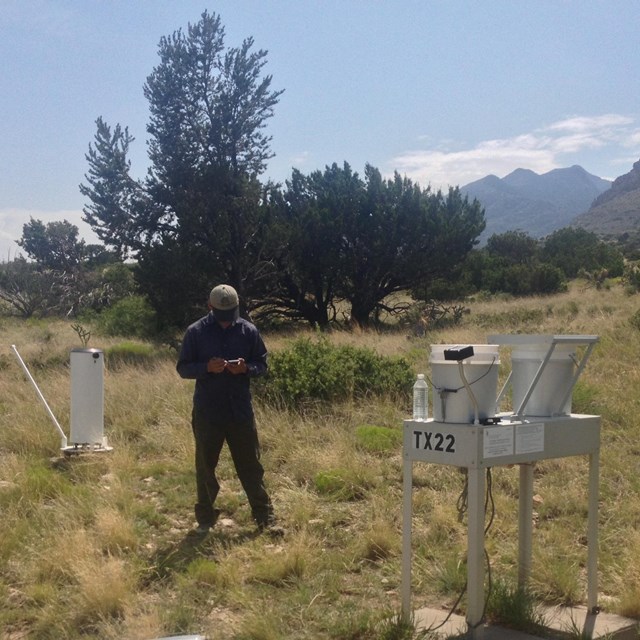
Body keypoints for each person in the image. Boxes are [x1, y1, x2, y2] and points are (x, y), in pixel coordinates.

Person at [177, 284, 279, 536]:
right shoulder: (195, 332)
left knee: (251, 466)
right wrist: (206, 368)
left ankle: (264, 517)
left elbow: (262, 364)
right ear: (209, 307)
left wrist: (246, 368)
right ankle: (205, 518)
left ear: (237, 307)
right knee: (205, 466)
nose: (226, 321)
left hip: (239, 412)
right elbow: (183, 368)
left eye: (230, 314)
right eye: (221, 315)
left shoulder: (249, 331)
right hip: (208, 412)